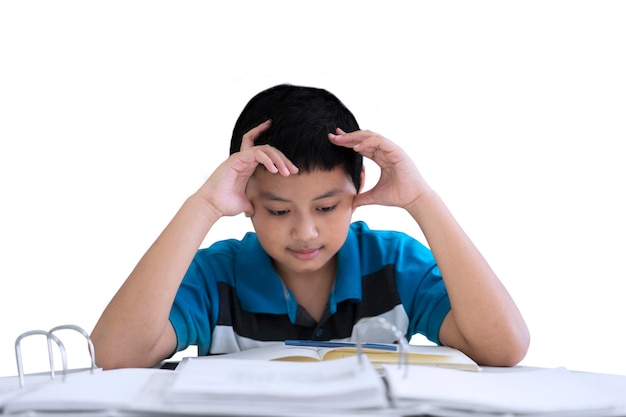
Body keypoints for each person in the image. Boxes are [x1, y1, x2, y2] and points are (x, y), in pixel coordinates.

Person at [91, 84, 530, 369]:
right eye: (280, 211)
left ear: (358, 185)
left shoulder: (394, 264)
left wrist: (422, 200)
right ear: (247, 198)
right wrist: (204, 205)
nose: (305, 233)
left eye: (326, 207)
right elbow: (114, 356)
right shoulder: (216, 276)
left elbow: (503, 348)